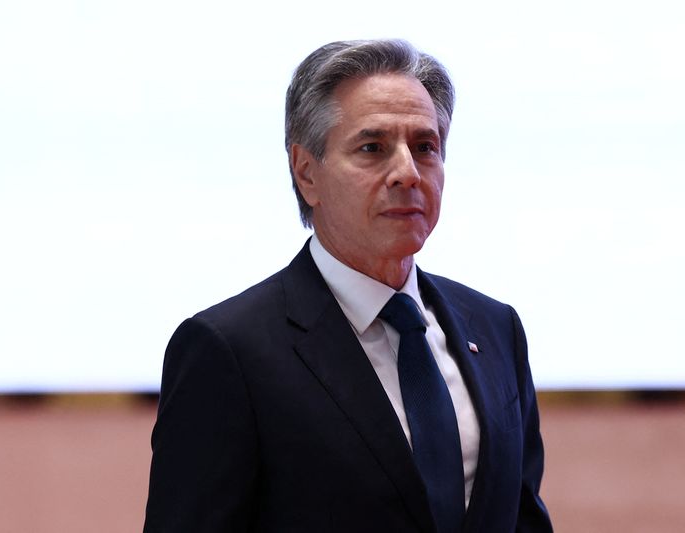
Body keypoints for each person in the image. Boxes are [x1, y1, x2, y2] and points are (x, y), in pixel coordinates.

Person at [144, 39, 552, 533]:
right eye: (372, 148)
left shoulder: (494, 328)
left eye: (425, 147)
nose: (407, 172)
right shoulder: (228, 350)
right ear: (306, 172)